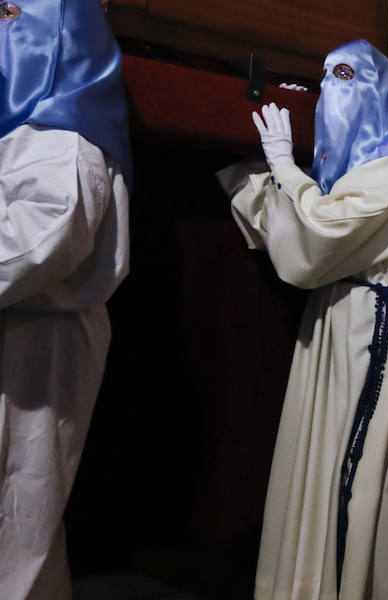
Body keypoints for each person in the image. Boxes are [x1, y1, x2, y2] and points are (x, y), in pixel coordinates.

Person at [218, 39, 388, 600]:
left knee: (362, 477)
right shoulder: (340, 171)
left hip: (375, 324)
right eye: (326, 78)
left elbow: (323, 230)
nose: (332, 91)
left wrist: (286, 170)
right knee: (318, 459)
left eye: (348, 77)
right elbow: (297, 234)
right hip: (337, 318)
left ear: (383, 94)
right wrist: (259, 181)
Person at [0, 2, 131, 598]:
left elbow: (48, 237)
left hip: (36, 343)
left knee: (18, 525)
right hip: (21, 331)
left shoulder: (64, 127)